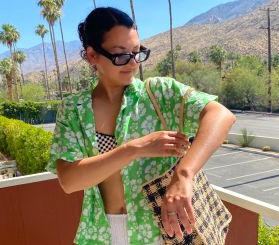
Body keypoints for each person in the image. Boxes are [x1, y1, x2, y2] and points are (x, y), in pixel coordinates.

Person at [46, 7, 236, 245]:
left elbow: (220, 115)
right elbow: (70, 180)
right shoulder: (74, 108)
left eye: (137, 52)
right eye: (121, 54)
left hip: (158, 231)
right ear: (93, 55)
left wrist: (184, 174)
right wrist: (134, 148)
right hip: (99, 233)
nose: (133, 62)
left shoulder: (159, 93)